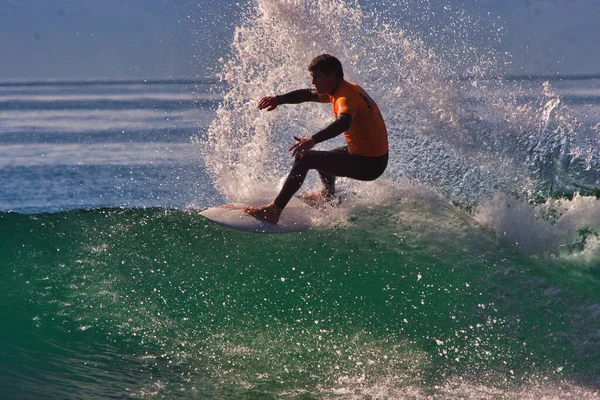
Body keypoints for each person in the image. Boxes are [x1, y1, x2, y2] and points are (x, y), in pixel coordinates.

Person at [243, 54, 389, 224]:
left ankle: (274, 210)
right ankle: (327, 196)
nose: (313, 82)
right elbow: (308, 95)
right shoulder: (342, 89)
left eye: (316, 77)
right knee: (323, 158)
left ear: (332, 76)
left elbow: (344, 122)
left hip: (369, 164)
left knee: (305, 158)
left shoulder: (344, 98)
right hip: (370, 156)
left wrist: (312, 139)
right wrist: (279, 99)